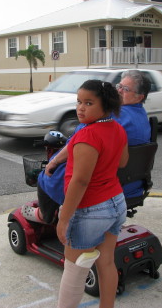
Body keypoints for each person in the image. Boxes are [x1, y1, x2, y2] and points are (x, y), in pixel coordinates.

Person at [21, 70, 151, 224]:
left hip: (100, 185)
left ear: (139, 97)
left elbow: (77, 149)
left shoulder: (105, 122)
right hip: (132, 185)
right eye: (119, 86)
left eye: (126, 89)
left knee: (45, 176)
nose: (119, 91)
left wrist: (54, 162)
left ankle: (45, 215)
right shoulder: (142, 117)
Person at [56, 80, 128, 308]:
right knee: (106, 263)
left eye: (88, 103)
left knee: (74, 268)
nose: (81, 108)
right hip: (116, 203)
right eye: (79, 102)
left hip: (90, 209)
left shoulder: (87, 135)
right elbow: (123, 161)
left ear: (105, 105)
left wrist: (64, 218)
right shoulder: (117, 128)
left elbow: (80, 180)